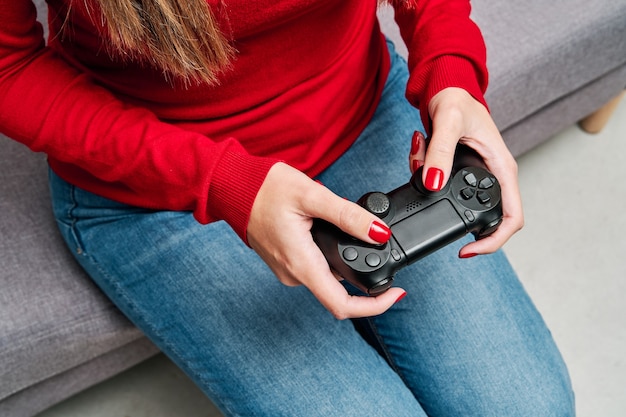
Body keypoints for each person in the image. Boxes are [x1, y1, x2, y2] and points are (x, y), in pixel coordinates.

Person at [1, 0, 575, 415]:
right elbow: (9, 69)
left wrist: (451, 70)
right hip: (155, 176)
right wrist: (226, 182)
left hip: (358, 114)